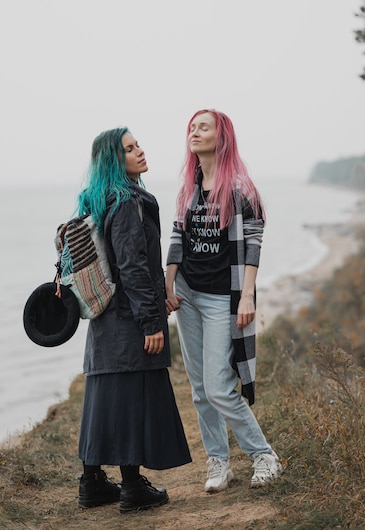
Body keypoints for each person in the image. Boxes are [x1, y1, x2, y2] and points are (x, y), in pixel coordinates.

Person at [165, 109, 282, 493]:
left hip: (223, 297)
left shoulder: (240, 186)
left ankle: (264, 455)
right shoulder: (188, 185)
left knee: (219, 386)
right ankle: (219, 462)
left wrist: (247, 295)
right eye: (192, 127)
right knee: (199, 388)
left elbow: (254, 240)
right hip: (188, 294)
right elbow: (177, 238)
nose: (194, 132)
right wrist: (169, 284)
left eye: (204, 127)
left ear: (222, 136)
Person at [76, 127, 192, 514]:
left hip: (104, 318)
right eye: (129, 149)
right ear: (114, 160)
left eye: (137, 144)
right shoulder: (126, 200)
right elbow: (132, 265)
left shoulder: (95, 200)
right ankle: (132, 488)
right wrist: (150, 322)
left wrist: (160, 298)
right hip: (129, 320)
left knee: (103, 399)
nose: (140, 151)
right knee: (130, 401)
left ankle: (92, 483)